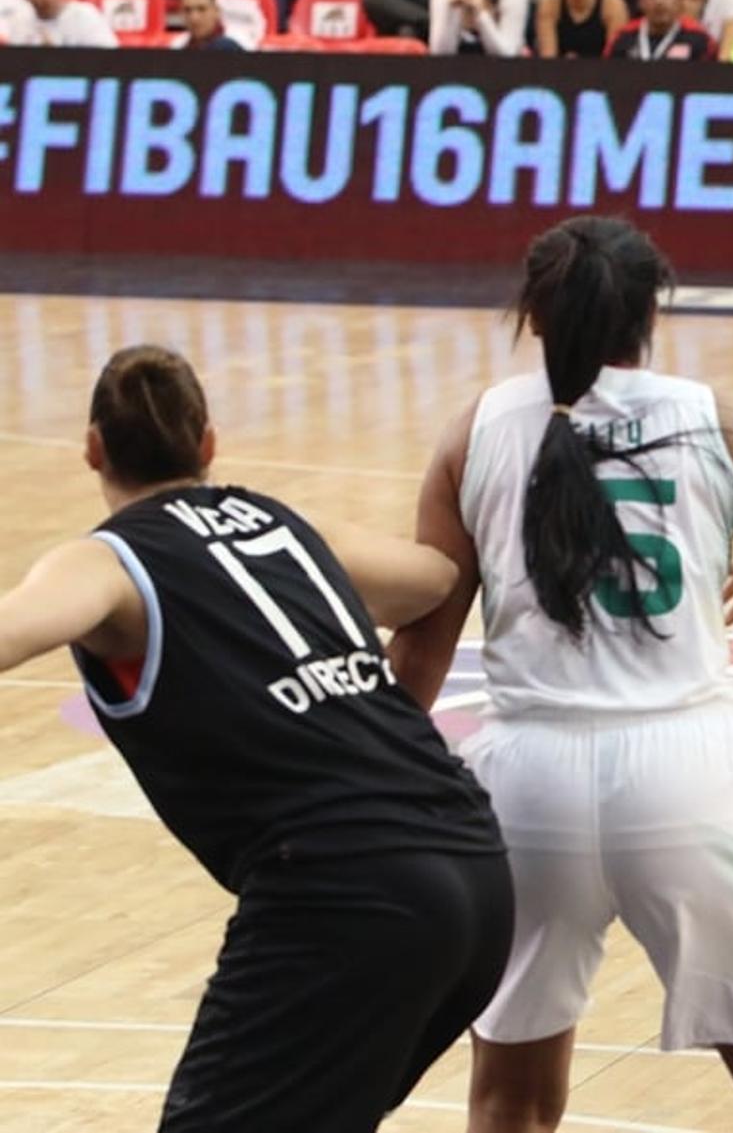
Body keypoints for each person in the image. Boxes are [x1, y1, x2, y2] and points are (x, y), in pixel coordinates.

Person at [388, 218, 733, 1133]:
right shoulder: (719, 422)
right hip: (695, 781)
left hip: (524, 786)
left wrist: (375, 798)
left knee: (510, 1104)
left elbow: (418, 658)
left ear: (532, 316)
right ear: (651, 313)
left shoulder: (475, 430)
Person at [0, 344, 512, 1133]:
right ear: (208, 443)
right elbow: (435, 580)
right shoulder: (290, 528)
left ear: (93, 448)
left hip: (345, 890)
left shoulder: (105, 561)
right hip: (477, 869)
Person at [611, 0, 716, 59]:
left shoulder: (699, 39)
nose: (659, 1)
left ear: (679, 0)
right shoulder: (622, 39)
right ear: (640, 1)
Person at [178, 0, 245, 50]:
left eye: (202, 9)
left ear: (217, 11)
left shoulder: (234, 43)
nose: (194, 18)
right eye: (187, 10)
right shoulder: (178, 44)